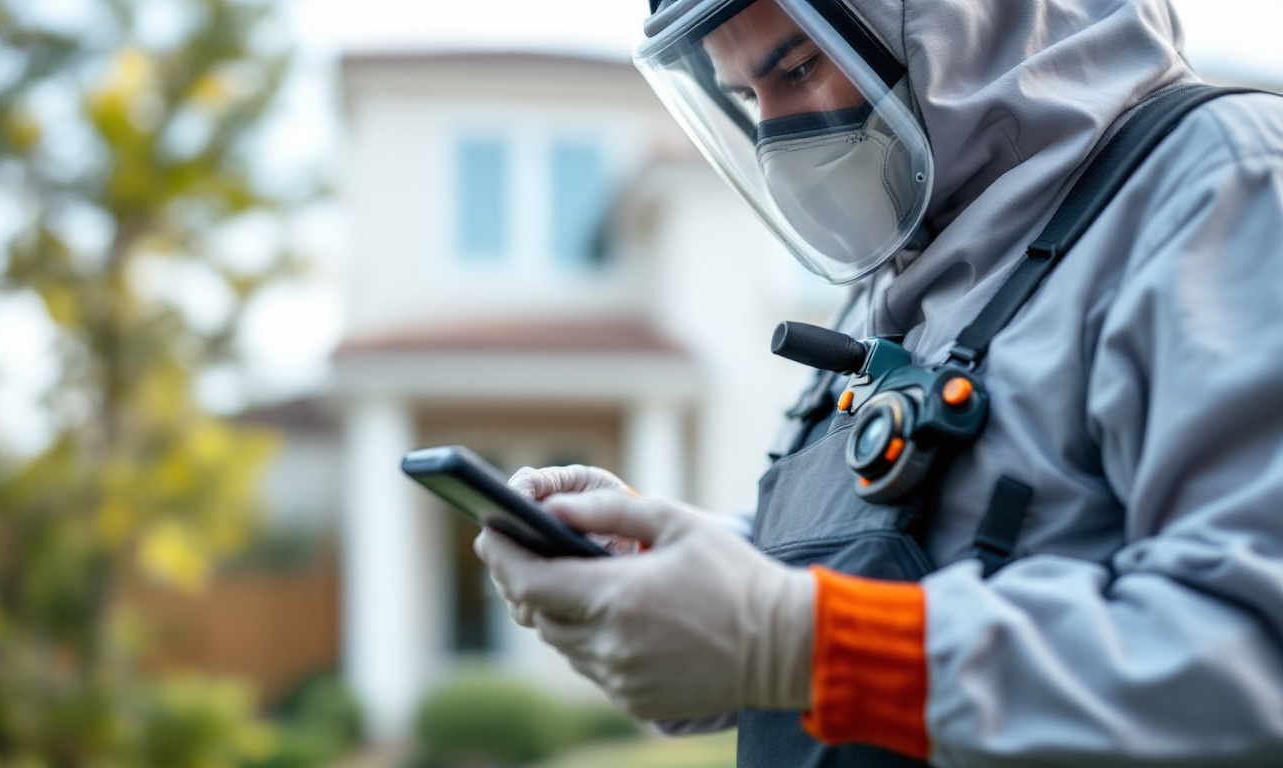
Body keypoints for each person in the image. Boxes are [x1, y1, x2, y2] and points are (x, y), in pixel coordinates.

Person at [474, 0, 1283, 765]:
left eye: (798, 69)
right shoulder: (898, 273)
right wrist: (659, 568)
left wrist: (803, 644)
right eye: (748, 97)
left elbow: (1250, 661)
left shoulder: (1227, 180)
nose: (776, 139)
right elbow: (878, 566)